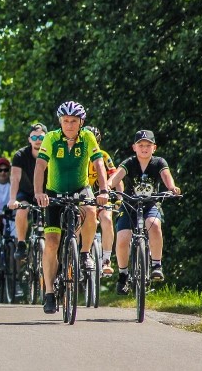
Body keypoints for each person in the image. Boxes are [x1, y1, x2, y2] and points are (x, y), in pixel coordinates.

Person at [34, 101, 109, 314]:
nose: (69, 125)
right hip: (53, 192)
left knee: (91, 209)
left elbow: (99, 164)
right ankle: (49, 292)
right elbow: (40, 166)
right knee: (51, 242)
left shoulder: (87, 138)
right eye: (65, 121)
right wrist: (39, 192)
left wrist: (103, 190)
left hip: (80, 188)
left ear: (81, 122)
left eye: (73, 121)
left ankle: (85, 253)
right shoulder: (51, 138)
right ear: (60, 122)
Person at [107, 130, 181, 294]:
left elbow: (167, 177)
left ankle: (156, 264)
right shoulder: (130, 162)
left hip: (150, 205)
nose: (144, 148)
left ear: (154, 148)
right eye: (141, 145)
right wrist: (107, 187)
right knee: (122, 238)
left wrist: (172, 188)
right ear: (134, 147)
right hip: (129, 205)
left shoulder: (159, 162)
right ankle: (123, 274)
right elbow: (115, 178)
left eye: (148, 145)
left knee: (154, 225)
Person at [7, 123, 48, 260]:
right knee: (22, 210)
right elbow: (15, 178)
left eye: (41, 137)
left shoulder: (52, 153)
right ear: (29, 139)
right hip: (26, 193)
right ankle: (21, 243)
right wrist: (13, 199)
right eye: (34, 137)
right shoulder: (20, 155)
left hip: (46, 193)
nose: (37, 140)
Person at [83, 126, 117, 275]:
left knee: (108, 219)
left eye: (95, 141)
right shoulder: (79, 156)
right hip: (82, 196)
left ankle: (106, 260)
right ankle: (79, 257)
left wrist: (119, 197)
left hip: (100, 196)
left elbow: (115, 176)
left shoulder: (103, 156)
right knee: (78, 223)